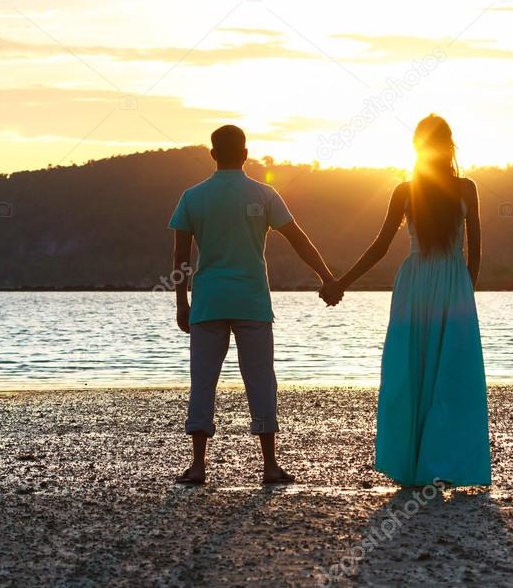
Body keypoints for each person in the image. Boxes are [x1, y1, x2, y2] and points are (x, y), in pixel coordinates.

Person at [321, 114, 491, 488]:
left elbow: (380, 247)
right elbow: (474, 251)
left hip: (415, 283)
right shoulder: (465, 189)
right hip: (451, 282)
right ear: (449, 147)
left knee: (409, 372)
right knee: (452, 374)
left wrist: (340, 282)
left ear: (417, 147)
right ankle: (446, 465)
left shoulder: (406, 190)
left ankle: (414, 466)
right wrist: (465, 291)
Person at [169, 124, 338, 486]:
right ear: (246, 155)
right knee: (260, 380)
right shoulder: (263, 193)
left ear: (213, 154)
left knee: (203, 381)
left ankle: (198, 466)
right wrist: (326, 276)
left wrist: (182, 303)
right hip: (252, 301)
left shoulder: (192, 197)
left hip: (209, 302)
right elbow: (299, 240)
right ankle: (269, 465)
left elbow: (181, 259)